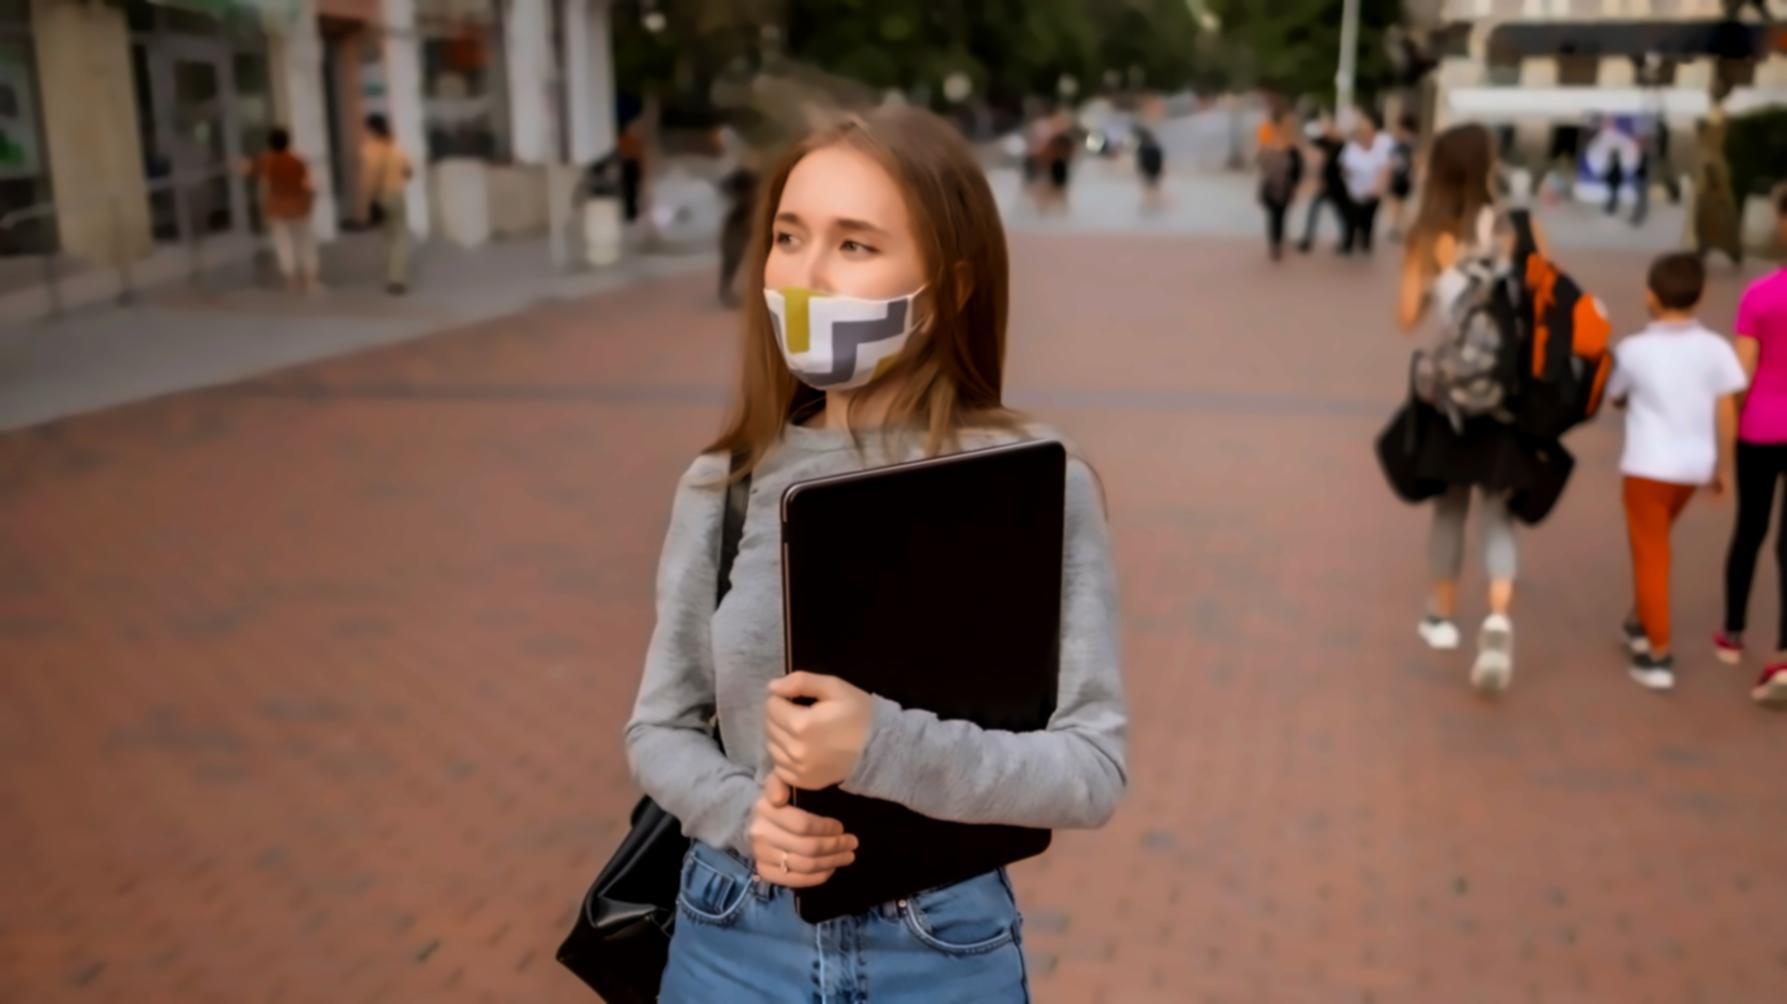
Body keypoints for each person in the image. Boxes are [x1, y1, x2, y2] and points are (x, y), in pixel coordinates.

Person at [625, 106, 1127, 1002]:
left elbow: (1089, 771)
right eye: (788, 235)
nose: (806, 274)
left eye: (855, 246)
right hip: (731, 938)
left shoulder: (1031, 483)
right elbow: (659, 729)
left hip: (940, 949)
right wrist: (743, 816)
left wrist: (881, 747)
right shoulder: (725, 481)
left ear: (952, 284)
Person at [1395, 123, 1552, 694]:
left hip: (1450, 400)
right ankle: (1498, 615)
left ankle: (1440, 619)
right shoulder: (1514, 226)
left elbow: (1406, 316)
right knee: (1498, 511)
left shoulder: (1427, 232)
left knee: (1450, 508)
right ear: (1488, 163)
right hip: (1505, 395)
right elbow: (1544, 296)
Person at [1607, 253, 1747, 690]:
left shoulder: (1634, 350)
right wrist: (1724, 466)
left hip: (1647, 467)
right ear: (1700, 296)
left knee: (1651, 555)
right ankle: (1638, 619)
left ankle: (1659, 655)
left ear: (1650, 294)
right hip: (1692, 468)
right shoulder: (1717, 349)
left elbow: (1615, 394)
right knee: (1656, 543)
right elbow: (1726, 408)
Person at [1720, 186, 1787, 707]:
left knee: (1750, 528)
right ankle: (1784, 651)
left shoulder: (1760, 296)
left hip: (1761, 428)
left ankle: (1733, 631)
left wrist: (1726, 430)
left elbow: (1740, 374)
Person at [245, 127, 317, 293]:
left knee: (284, 243)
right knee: (305, 242)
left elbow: (249, 169)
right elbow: (308, 183)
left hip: (277, 208)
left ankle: (291, 278)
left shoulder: (267, 160)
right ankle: (310, 275)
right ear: (288, 142)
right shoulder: (297, 161)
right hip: (299, 207)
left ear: (270, 144)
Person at [359, 114, 412, 295]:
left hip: (381, 196)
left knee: (389, 238)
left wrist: (367, 202)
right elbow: (408, 171)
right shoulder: (396, 147)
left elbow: (369, 179)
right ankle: (398, 278)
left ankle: (393, 276)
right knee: (399, 238)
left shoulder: (369, 150)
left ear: (371, 129)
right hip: (397, 194)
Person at [1340, 110, 1394, 255]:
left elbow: (1385, 169)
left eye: (1369, 131)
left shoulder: (1380, 147)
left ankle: (1366, 243)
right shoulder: (1351, 148)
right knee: (1351, 219)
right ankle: (1348, 244)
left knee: (1368, 220)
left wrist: (1379, 187)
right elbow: (1344, 167)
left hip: (1372, 192)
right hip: (1354, 192)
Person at [1297, 115, 1351, 254]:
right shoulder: (1324, 142)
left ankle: (1346, 241)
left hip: (1336, 185)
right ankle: (1307, 239)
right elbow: (1310, 142)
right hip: (1324, 184)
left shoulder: (1341, 145)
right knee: (1314, 211)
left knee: (1340, 214)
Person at [1256, 109, 1304, 261]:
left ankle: (1278, 241)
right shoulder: (1267, 140)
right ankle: (1275, 243)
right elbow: (1260, 162)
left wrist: (1294, 184)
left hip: (1285, 187)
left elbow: (1298, 168)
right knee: (1274, 216)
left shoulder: (1291, 147)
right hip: (1271, 186)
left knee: (1280, 215)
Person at [716, 160, 759, 306]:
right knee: (732, 261)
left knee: (747, 261)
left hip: (744, 229)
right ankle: (726, 291)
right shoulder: (739, 209)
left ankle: (730, 291)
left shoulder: (748, 205)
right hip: (737, 231)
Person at [1386, 113, 1419, 241]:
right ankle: (1399, 227)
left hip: (1401, 177)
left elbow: (1415, 160)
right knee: (1398, 204)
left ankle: (1399, 228)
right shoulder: (1408, 141)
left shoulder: (1406, 142)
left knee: (1398, 204)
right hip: (1401, 176)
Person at [1133, 123, 1165, 214]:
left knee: (1151, 188)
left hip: (1152, 170)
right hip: (1151, 170)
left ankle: (1154, 204)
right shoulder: (1146, 147)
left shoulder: (1147, 147)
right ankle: (1151, 204)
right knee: (1150, 188)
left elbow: (1157, 159)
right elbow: (1141, 160)